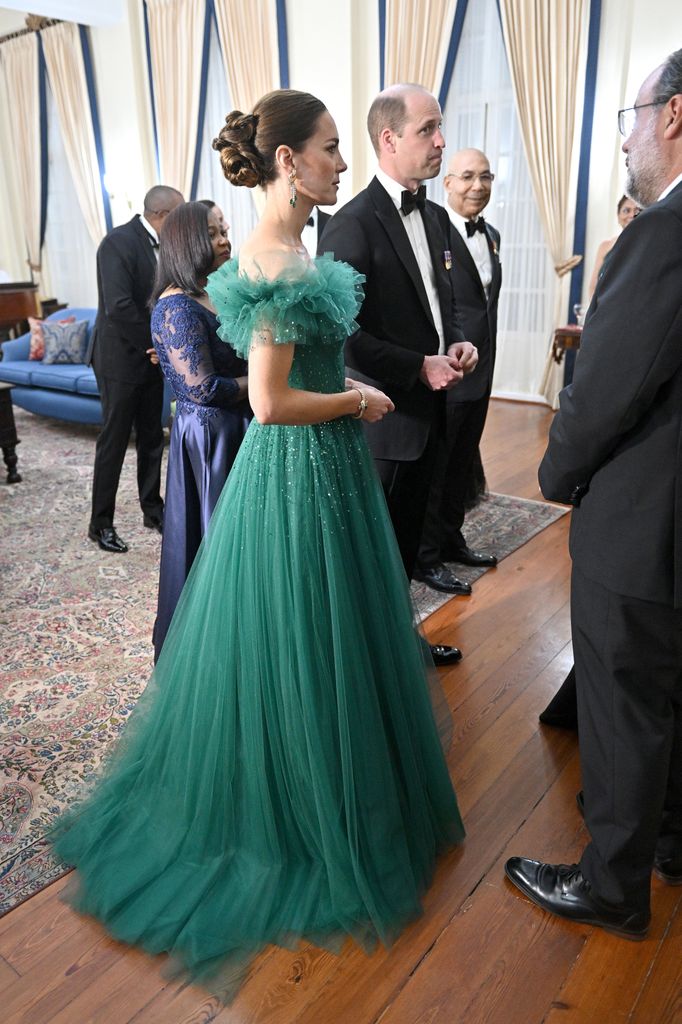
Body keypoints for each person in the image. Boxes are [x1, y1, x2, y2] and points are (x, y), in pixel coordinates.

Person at [53, 88, 464, 997]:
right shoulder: (277, 257)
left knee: (328, 635)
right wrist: (359, 400)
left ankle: (334, 800)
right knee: (303, 635)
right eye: (327, 149)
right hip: (298, 472)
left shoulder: (291, 248)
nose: (340, 162)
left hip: (323, 471)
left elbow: (298, 371)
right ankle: (297, 821)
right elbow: (273, 403)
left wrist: (351, 385)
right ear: (287, 161)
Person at [506, 49, 682, 940]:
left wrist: (553, 473)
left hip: (648, 520)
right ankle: (672, 839)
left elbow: (608, 388)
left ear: (673, 116)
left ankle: (612, 887)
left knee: (622, 699)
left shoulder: (664, 230)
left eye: (631, 117)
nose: (625, 140)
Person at [320, 84, 478, 664]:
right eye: (428, 129)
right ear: (389, 139)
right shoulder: (350, 225)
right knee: (375, 553)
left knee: (407, 546)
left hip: (430, 410)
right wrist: (418, 366)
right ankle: (370, 663)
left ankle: (399, 646)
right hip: (383, 424)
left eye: (441, 127)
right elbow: (340, 334)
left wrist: (455, 343)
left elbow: (441, 303)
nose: (441, 141)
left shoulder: (435, 216)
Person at [149, 202, 251, 662]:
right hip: (211, 439)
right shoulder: (175, 306)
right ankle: (213, 649)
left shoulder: (218, 292)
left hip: (242, 425)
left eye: (224, 229)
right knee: (215, 542)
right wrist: (269, 385)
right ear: (187, 243)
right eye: (213, 233)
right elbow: (204, 388)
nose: (224, 239)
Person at [417, 148, 501, 580]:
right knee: (438, 467)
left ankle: (452, 539)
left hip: (482, 374)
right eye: (467, 176)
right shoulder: (432, 235)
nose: (478, 186)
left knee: (464, 461)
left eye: (486, 177)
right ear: (447, 183)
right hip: (448, 371)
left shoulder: (492, 235)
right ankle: (426, 556)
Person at [88, 185, 184, 553]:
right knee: (113, 441)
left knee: (151, 436)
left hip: (151, 359)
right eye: (177, 216)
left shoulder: (165, 245)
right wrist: (157, 343)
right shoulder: (116, 243)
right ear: (160, 214)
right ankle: (100, 524)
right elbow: (119, 306)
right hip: (119, 359)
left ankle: (152, 507)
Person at [587, 194, 640, 296]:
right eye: (626, 210)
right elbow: (593, 286)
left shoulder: (647, 244)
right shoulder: (605, 246)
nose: (632, 215)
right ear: (618, 216)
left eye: (637, 211)